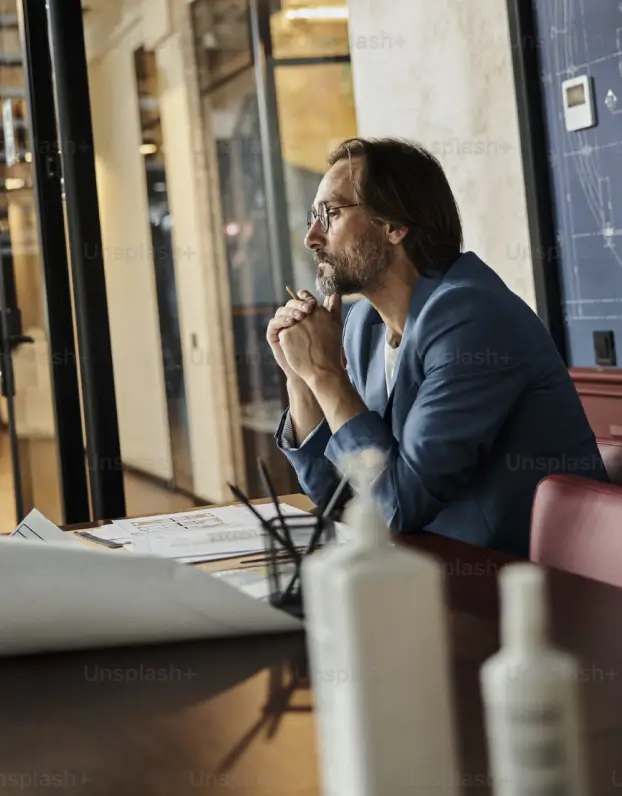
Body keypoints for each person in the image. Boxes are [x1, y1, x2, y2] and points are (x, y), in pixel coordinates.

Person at [266, 137, 607, 557]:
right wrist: (302, 379)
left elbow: (400, 503)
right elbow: (335, 496)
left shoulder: (471, 316)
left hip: (523, 583)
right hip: (424, 572)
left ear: (394, 225)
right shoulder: (362, 325)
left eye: (331, 214)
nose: (312, 238)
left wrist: (326, 374)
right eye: (312, 217)